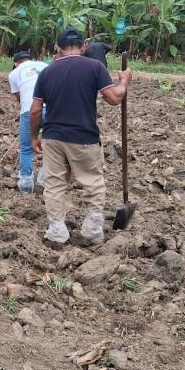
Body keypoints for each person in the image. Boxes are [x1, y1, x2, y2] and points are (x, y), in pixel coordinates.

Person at [30, 28, 132, 244]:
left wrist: (33, 136)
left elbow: (35, 110)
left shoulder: (47, 72)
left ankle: (57, 231)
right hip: (84, 136)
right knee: (92, 183)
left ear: (57, 48)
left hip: (53, 137)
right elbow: (114, 99)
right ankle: (92, 230)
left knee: (54, 184)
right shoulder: (94, 66)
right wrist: (124, 82)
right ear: (84, 47)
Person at [8, 51, 48, 193]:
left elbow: (19, 97)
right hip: (51, 109)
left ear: (15, 63)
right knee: (52, 145)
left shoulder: (14, 73)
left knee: (26, 147)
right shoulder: (45, 65)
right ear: (32, 59)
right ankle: (45, 180)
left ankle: (26, 185)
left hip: (29, 110)